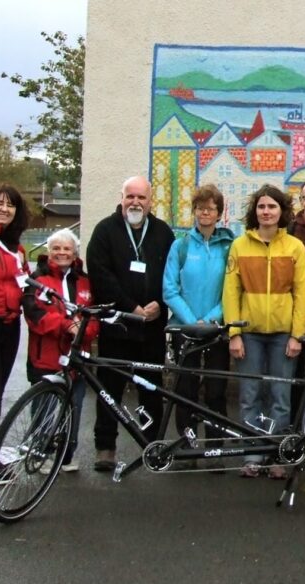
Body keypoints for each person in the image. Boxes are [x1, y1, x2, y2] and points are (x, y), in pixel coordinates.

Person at [86, 176, 175, 472]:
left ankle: (150, 444)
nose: (135, 202)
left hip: (152, 326)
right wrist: (131, 307)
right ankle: (105, 447)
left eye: (142, 197)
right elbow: (100, 275)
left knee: (152, 388)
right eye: (130, 196)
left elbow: (171, 276)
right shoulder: (104, 231)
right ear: (121, 198)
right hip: (117, 325)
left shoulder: (163, 232)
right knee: (109, 388)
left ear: (151, 201)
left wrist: (158, 305)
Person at [223, 184, 305, 479]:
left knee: (280, 396)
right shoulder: (239, 246)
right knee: (250, 396)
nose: (267, 212)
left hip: (283, 334)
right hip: (250, 334)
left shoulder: (295, 247)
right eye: (261, 207)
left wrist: (297, 335)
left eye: (272, 207)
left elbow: (302, 294)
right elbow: (231, 292)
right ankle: (252, 455)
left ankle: (276, 455)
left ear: (282, 211)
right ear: (254, 211)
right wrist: (234, 332)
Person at [162, 184, 235, 456]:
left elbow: (232, 288)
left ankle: (215, 446)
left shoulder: (229, 245)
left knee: (216, 390)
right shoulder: (180, 245)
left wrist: (211, 319)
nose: (205, 213)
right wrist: (193, 321)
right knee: (185, 389)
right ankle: (186, 447)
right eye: (200, 208)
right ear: (194, 211)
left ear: (219, 213)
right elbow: (169, 288)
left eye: (211, 208)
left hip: (216, 329)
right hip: (185, 327)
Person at [21, 229, 99, 473]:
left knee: (73, 406)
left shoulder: (85, 281)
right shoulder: (37, 279)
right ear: (48, 251)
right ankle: (39, 453)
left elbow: (94, 315)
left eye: (67, 248)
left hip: (77, 359)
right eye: (56, 248)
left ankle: (66, 455)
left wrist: (85, 331)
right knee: (44, 407)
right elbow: (35, 315)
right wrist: (67, 325)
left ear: (75, 252)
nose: (62, 253)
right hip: (46, 356)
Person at [0, 183, 30, 429]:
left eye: (10, 204)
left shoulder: (17, 248)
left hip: (10, 325)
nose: (4, 209)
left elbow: (25, 284)